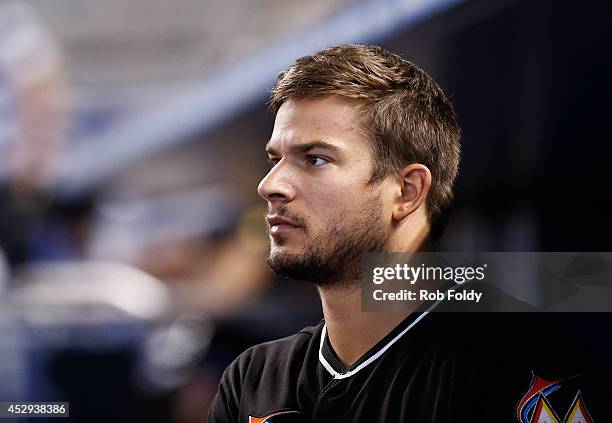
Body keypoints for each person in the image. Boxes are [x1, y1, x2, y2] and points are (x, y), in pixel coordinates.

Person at [208, 44, 610, 422]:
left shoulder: (517, 361)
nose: (270, 185)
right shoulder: (253, 380)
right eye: (275, 160)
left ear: (407, 191)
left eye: (314, 159)